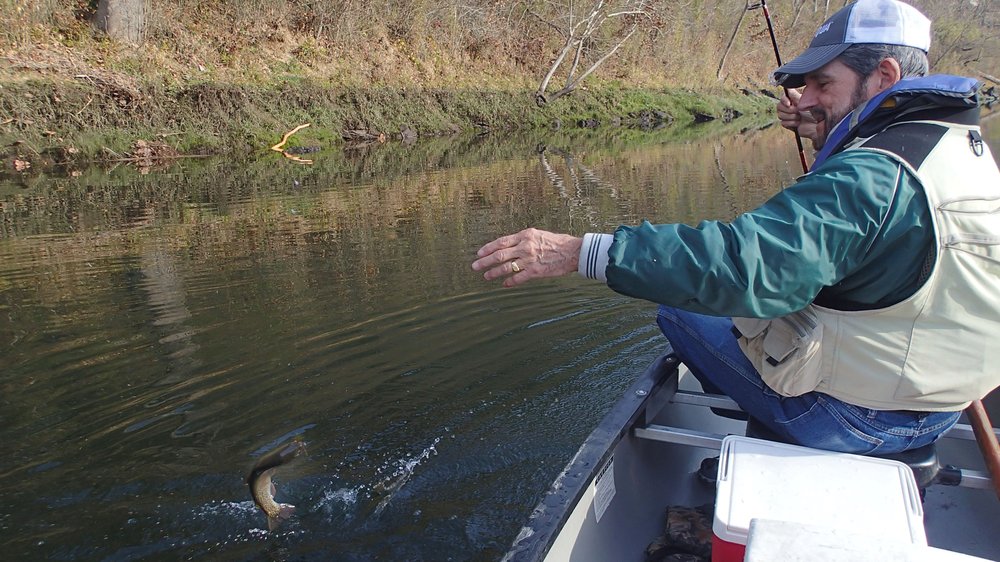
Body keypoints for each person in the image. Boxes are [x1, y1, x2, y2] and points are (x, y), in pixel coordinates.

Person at [470, 0, 1000, 455]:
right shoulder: (957, 148)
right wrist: (831, 131)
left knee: (682, 306)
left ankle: (771, 434)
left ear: (884, 76)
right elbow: (870, 233)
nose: (807, 97)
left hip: (856, 419)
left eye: (823, 82)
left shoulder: (872, 175)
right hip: (939, 407)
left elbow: (744, 266)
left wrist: (578, 252)